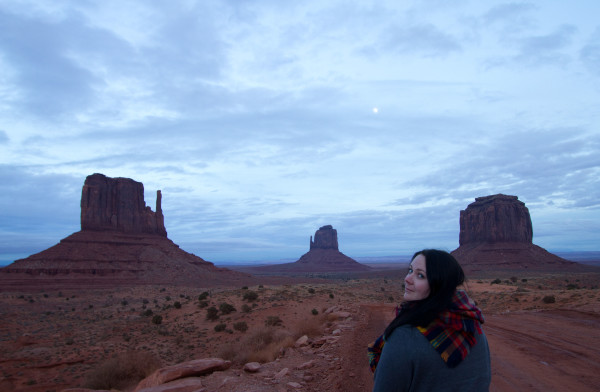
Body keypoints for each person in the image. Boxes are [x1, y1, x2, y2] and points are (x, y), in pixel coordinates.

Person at [369, 249, 491, 391]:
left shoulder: (404, 337)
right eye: (410, 270)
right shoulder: (473, 327)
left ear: (439, 284)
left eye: (420, 275)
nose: (407, 279)